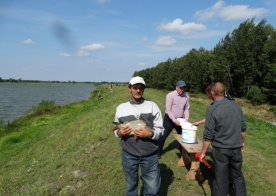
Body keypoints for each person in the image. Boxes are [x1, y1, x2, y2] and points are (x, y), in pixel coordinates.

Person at [113, 76, 164, 196]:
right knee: (131, 187)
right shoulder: (121, 108)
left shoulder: (153, 106)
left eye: (140, 88)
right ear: (129, 89)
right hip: (129, 154)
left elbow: (160, 130)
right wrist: (119, 133)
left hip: (150, 154)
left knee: (152, 189)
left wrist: (150, 134)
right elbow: (116, 130)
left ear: (144, 89)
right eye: (135, 87)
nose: (138, 90)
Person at [199, 82, 247, 196]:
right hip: (236, 147)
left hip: (221, 149)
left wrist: (203, 153)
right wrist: (242, 143)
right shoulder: (236, 106)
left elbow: (208, 135)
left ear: (212, 93)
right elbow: (243, 129)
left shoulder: (212, 108)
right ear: (224, 92)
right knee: (237, 176)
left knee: (221, 179)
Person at [158, 80, 190, 156]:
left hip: (180, 120)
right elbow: (168, 110)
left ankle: (183, 154)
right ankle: (158, 153)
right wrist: (174, 120)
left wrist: (186, 118)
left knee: (184, 136)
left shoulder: (186, 96)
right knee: (163, 136)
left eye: (184, 88)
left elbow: (186, 109)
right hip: (169, 119)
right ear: (177, 87)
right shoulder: (170, 95)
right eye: (181, 88)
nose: (182, 90)